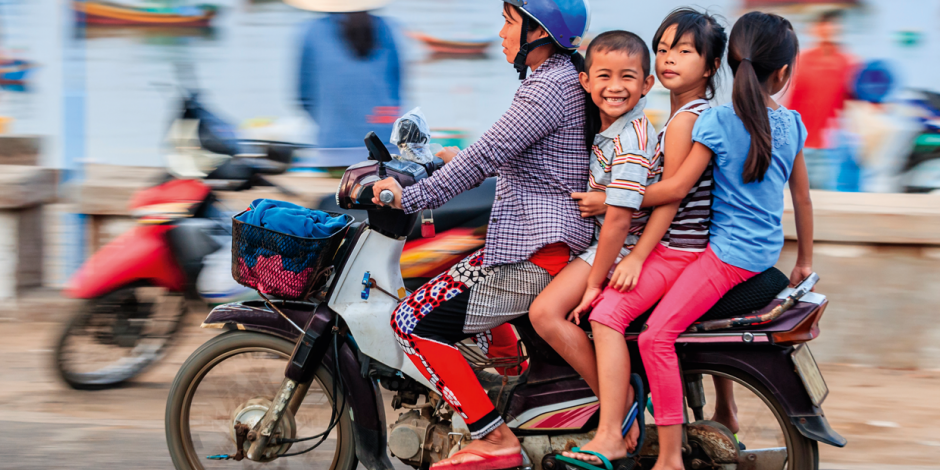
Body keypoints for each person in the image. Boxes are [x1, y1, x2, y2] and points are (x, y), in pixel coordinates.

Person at [371, 1, 592, 468]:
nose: (500, 33)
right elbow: (510, 153)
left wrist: (405, 197)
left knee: (411, 322)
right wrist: (452, 159)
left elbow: (484, 158)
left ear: (539, 32)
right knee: (455, 280)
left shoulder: (547, 88)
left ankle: (493, 437)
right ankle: (506, 388)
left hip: (535, 252)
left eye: (510, 23)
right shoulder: (557, 79)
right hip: (540, 243)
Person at [616, 12, 813, 470]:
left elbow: (675, 189)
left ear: (724, 64)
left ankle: (668, 458)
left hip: (724, 258)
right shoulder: (793, 123)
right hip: (763, 254)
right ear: (782, 72)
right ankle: (725, 408)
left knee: (654, 337)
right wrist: (803, 259)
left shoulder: (716, 122)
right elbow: (801, 200)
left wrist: (611, 199)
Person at [557, 9, 728, 466]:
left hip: (675, 248)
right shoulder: (688, 114)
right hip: (685, 243)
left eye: (685, 51)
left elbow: (671, 195)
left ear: (711, 66)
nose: (671, 59)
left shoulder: (684, 121)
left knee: (608, 316)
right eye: (666, 49)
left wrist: (614, 211)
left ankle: (616, 429)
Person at [528, 28, 656, 452]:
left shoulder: (632, 138)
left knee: (545, 313)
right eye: (603, 75)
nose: (615, 87)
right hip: (600, 243)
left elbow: (619, 220)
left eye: (628, 77)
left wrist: (595, 284)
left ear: (647, 84)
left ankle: (617, 409)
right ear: (585, 81)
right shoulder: (601, 125)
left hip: (615, 248)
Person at [290, 0, 401, 167]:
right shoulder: (388, 29)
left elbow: (304, 97)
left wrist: (332, 123)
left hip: (333, 152)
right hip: (386, 153)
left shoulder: (312, 31)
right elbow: (396, 93)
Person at [784, 9, 855, 189]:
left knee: (824, 203)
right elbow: (788, 102)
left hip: (830, 148)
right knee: (793, 200)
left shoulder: (848, 63)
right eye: (823, 25)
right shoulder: (800, 60)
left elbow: (857, 100)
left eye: (832, 25)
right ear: (814, 29)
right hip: (800, 144)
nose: (828, 29)